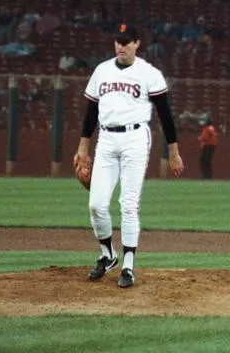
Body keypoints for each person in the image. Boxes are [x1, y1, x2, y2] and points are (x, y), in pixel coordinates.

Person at [73, 23, 184, 289]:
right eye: (118, 41)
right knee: (96, 205)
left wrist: (174, 152)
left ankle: (129, 265)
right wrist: (82, 148)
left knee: (128, 203)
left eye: (127, 41)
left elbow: (165, 115)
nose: (121, 46)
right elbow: (90, 113)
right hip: (107, 139)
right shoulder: (102, 71)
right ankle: (108, 255)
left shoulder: (149, 74)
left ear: (137, 44)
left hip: (135, 138)